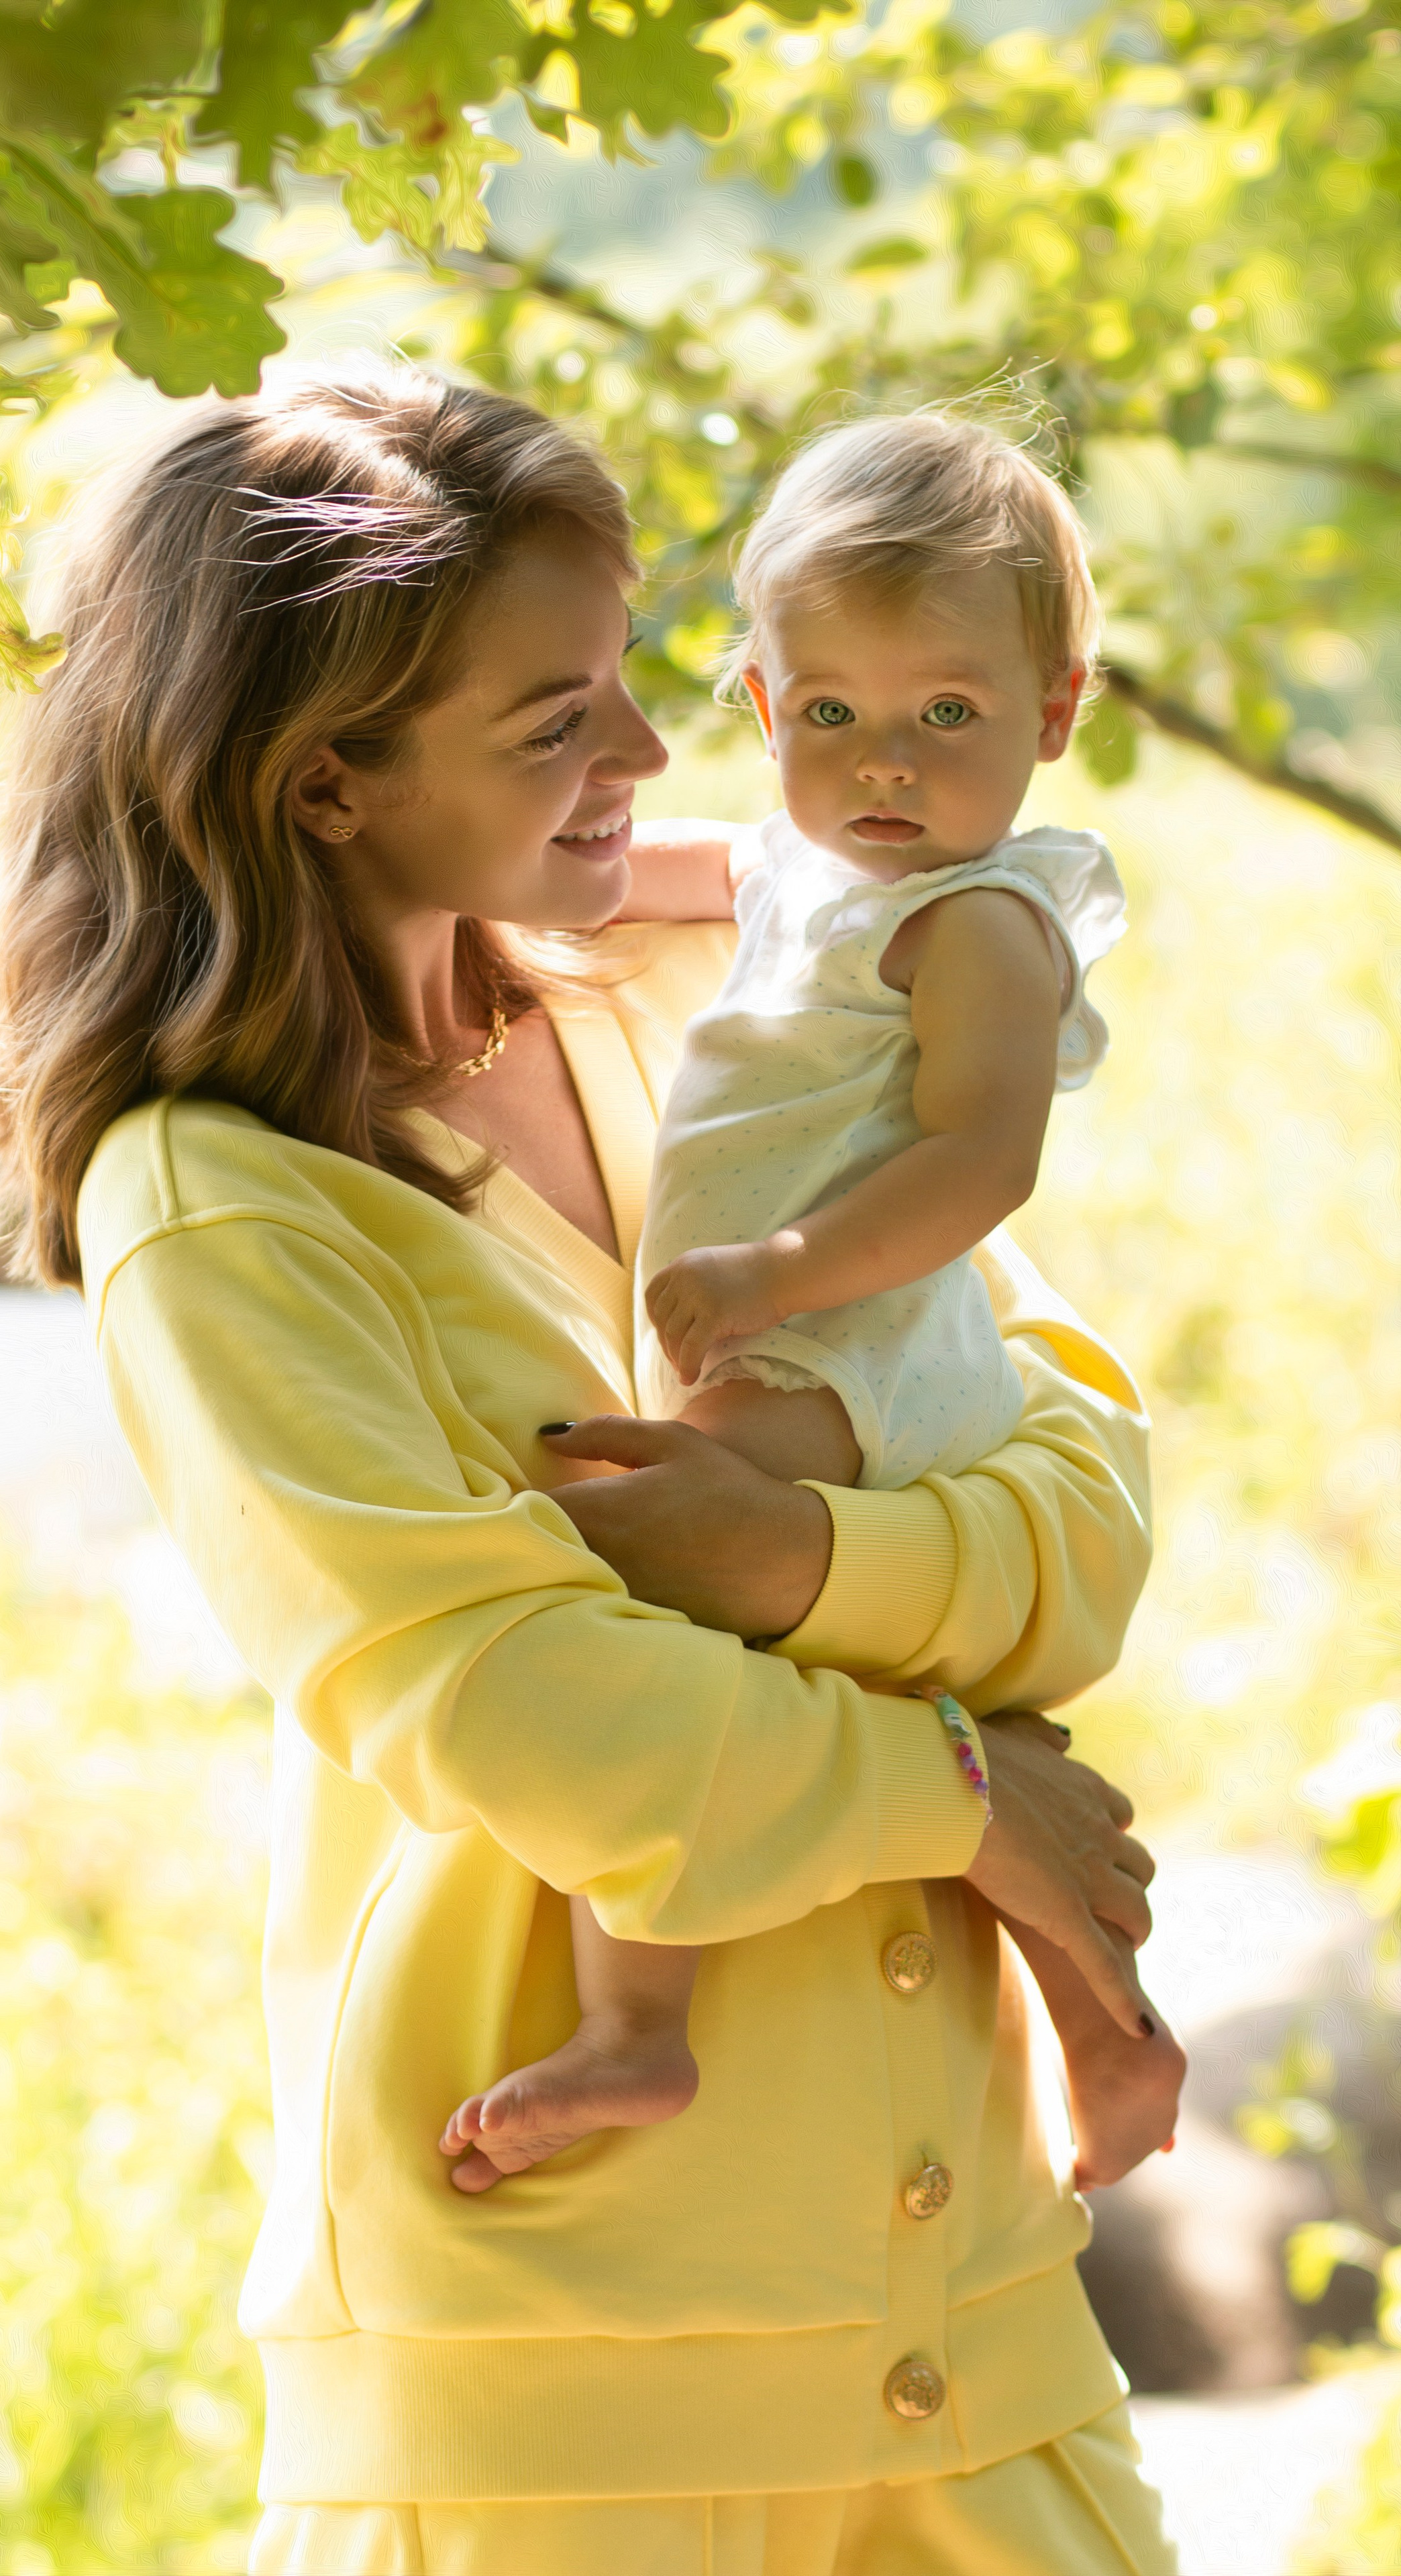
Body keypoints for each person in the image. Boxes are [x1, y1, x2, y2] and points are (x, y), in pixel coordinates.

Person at [0, 364, 1178, 2574]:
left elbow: (1080, 1498)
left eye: (623, 687)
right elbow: (531, 1713)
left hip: (974, 2327)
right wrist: (964, 1805)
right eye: (554, 722)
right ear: (331, 781)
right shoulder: (226, 1212)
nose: (652, 757)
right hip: (564, 2399)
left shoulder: (715, 1006)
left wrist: (789, 1555)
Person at [442, 412, 1186, 2204]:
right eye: (834, 714)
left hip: (853, 1346)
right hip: (808, 1341)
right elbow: (672, 876)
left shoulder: (981, 920)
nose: (888, 767)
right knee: (786, 1645)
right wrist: (537, 907)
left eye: (950, 714)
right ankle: (1098, 2011)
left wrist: (779, 1277)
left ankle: (636, 2024)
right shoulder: (818, 869)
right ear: (767, 713)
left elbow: (981, 1158)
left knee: (641, 1575)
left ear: (1054, 712)